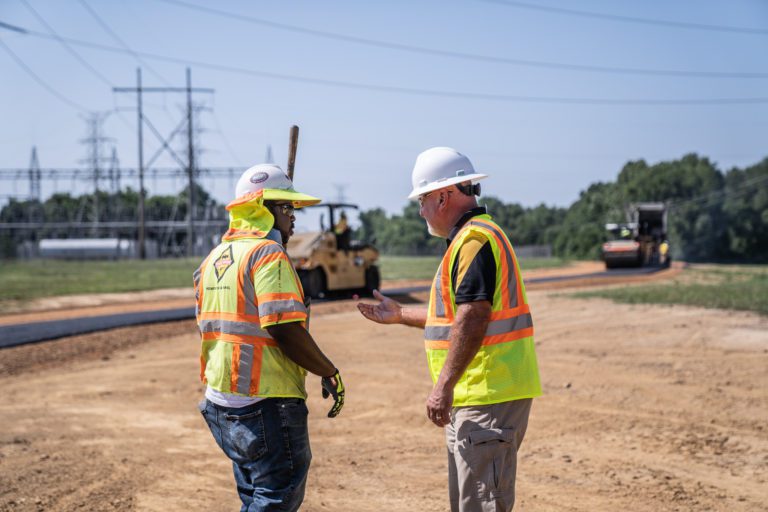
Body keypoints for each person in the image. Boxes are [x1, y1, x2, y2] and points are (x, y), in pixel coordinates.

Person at [357, 147, 541, 511]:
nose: (421, 210)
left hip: (488, 395)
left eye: (422, 200)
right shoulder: (469, 239)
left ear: (444, 196)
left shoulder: (474, 241)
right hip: (480, 395)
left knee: (481, 504)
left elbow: (473, 315)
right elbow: (456, 319)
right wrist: (400, 315)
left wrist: (443, 385)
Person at [194, 163, 345, 512]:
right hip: (265, 402)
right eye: (286, 207)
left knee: (254, 494)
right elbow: (283, 327)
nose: (293, 216)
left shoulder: (215, 257)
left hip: (221, 400)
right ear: (263, 211)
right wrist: (327, 370)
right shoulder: (267, 256)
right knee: (277, 496)